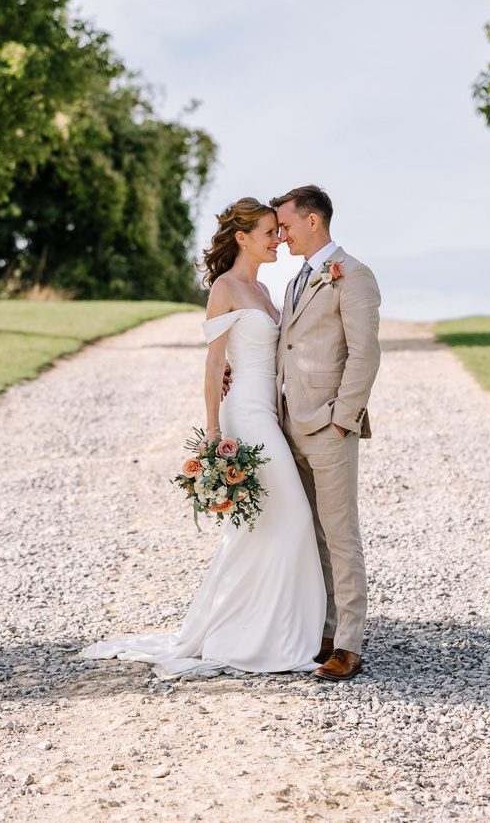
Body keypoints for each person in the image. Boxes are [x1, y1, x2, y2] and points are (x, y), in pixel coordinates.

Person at [80, 197, 326, 677]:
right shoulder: (226, 286)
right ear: (243, 238)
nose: (278, 239)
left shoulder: (264, 289)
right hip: (244, 419)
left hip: (268, 413)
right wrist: (213, 430)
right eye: (270, 232)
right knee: (292, 515)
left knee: (265, 523)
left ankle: (268, 626)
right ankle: (257, 634)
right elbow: (214, 363)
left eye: (279, 231)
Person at [269, 185, 381, 681]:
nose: (281, 234)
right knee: (312, 533)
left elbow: (365, 354)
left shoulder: (353, 275)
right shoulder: (296, 280)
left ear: (313, 222)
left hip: (329, 424)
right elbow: (289, 343)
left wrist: (343, 417)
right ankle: (327, 631)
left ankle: (351, 645)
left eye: (286, 225)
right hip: (290, 422)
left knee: (340, 533)